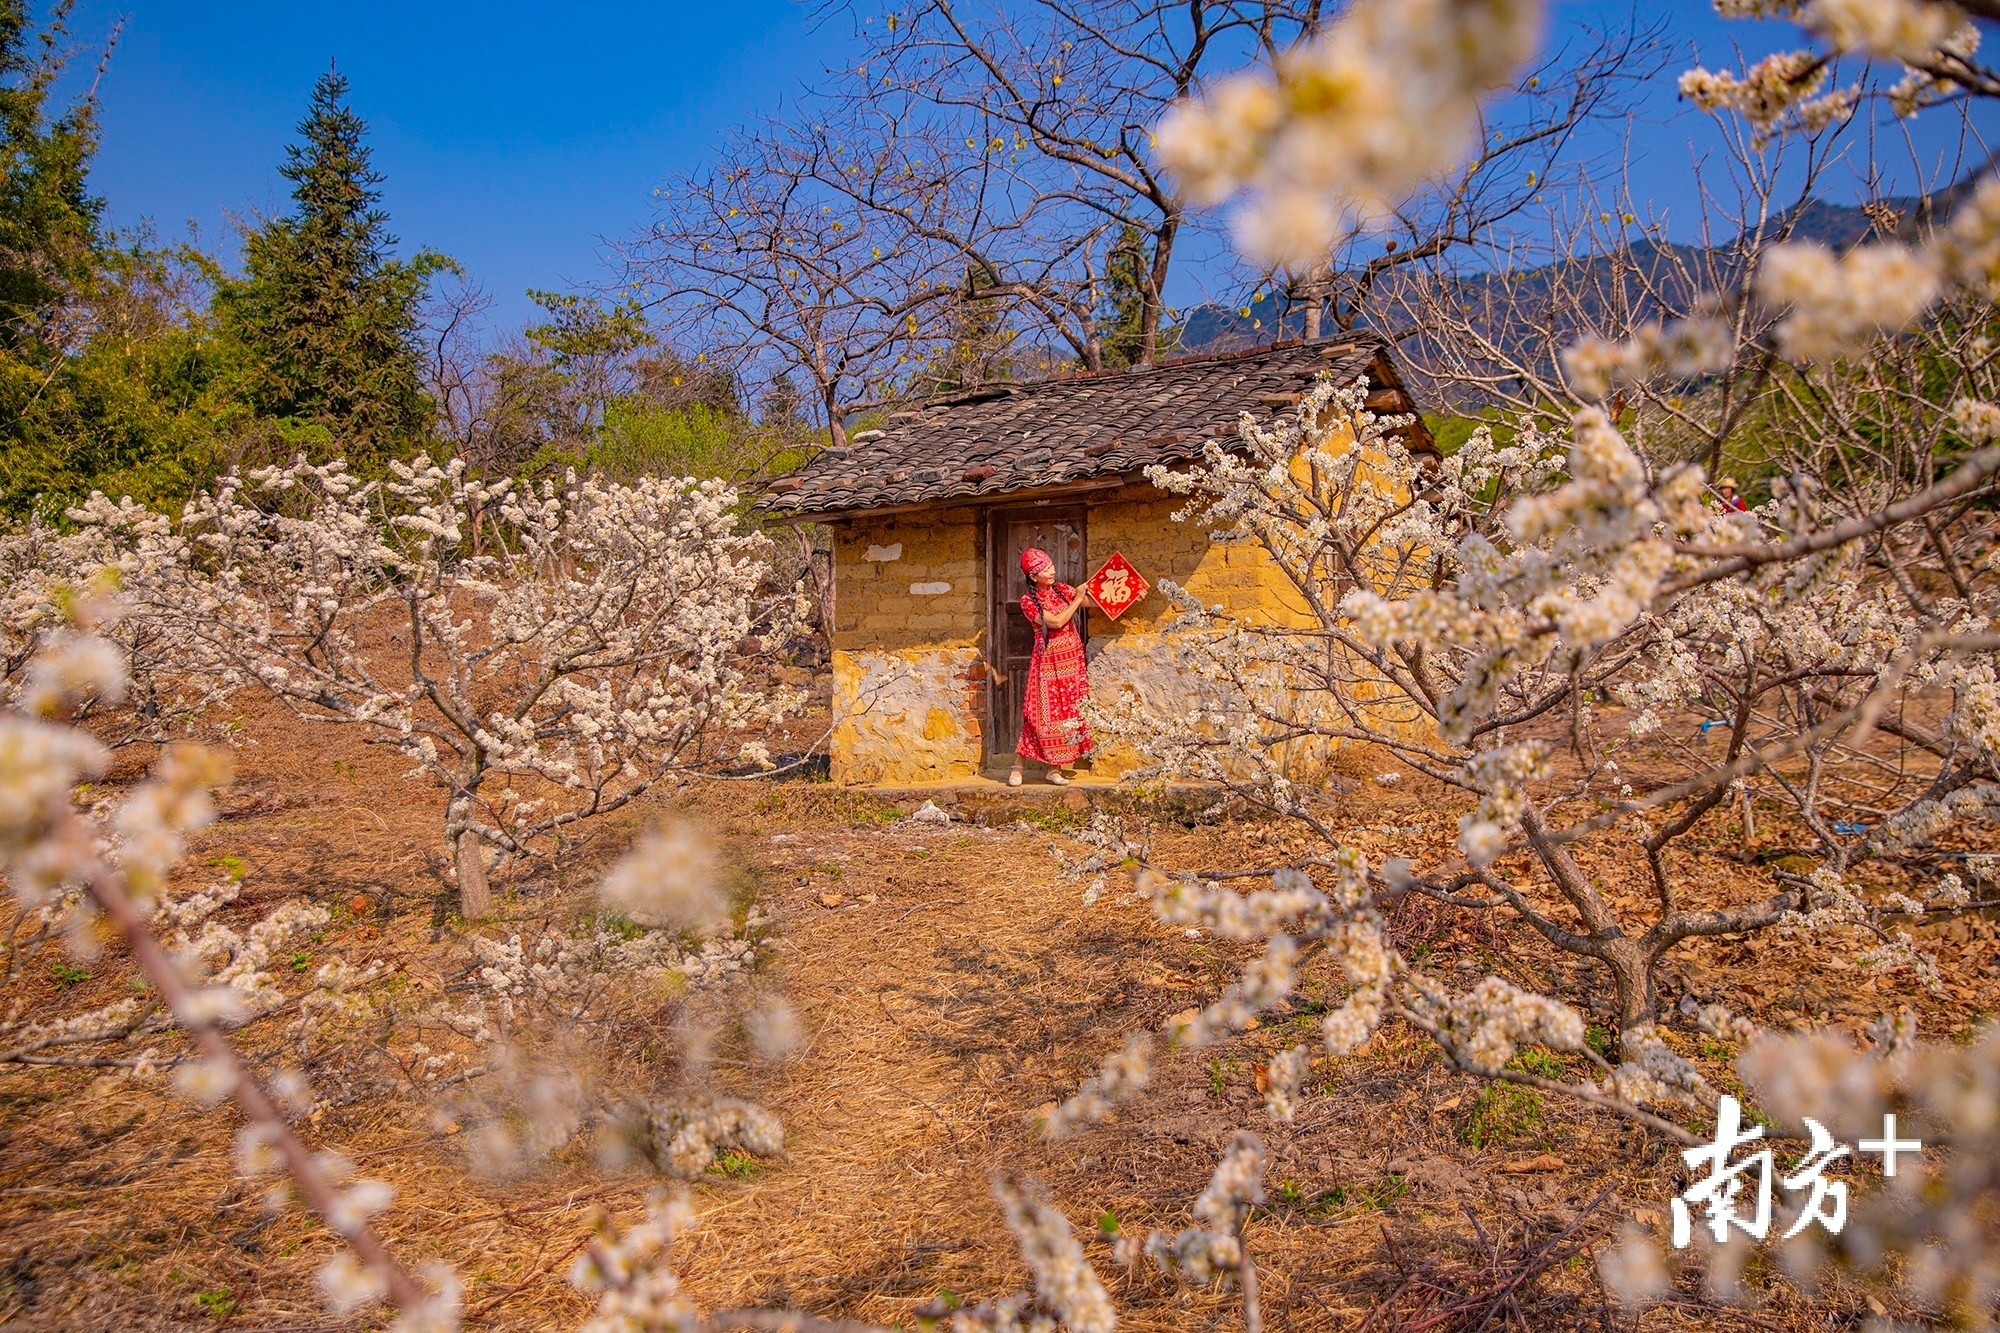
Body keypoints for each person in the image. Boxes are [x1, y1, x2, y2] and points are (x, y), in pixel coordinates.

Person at [1009, 548, 1093, 786]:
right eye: (1046, 569)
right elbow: (1055, 622)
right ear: (1034, 576)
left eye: (1051, 566)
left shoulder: (1063, 589)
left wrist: (1121, 597)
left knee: (1065, 713)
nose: (1052, 570)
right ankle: (1018, 766)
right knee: (1037, 713)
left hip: (1071, 660)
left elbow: (1090, 602)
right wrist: (1076, 598)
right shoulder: (1027, 602)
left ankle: (1054, 769)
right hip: (1047, 662)